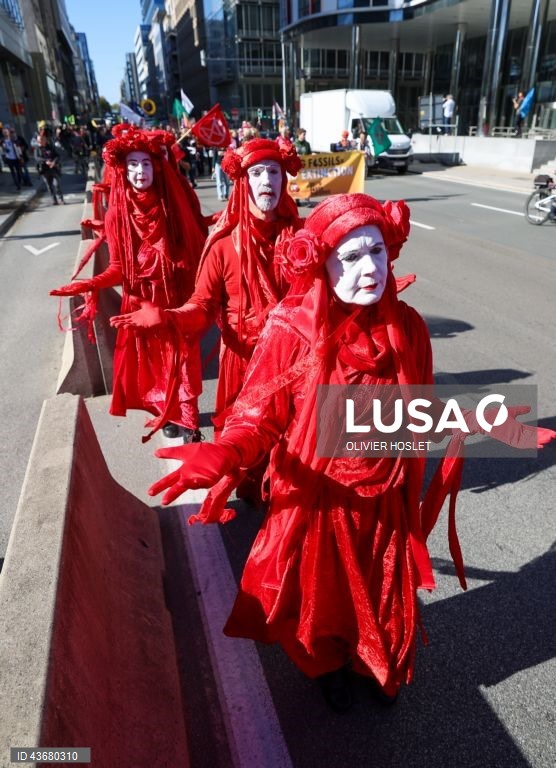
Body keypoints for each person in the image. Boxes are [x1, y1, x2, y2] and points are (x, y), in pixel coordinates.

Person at [144, 192, 555, 713]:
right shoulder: (291, 327)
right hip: (321, 502)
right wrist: (228, 450)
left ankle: (373, 664)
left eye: (377, 251)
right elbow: (259, 413)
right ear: (321, 262)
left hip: (386, 502)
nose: (370, 268)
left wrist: (485, 424)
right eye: (352, 256)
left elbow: (409, 417)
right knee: (323, 600)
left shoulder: (408, 326)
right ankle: (329, 667)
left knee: (383, 594)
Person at [111, 137, 302, 488]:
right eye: (257, 172)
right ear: (242, 182)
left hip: (295, 366)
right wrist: (170, 317)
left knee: (299, 460)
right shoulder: (224, 246)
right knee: (248, 464)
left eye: (274, 172)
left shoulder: (304, 239)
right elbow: (202, 307)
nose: (267, 181)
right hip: (244, 366)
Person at [50, 126, 206, 441]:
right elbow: (119, 269)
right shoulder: (116, 216)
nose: (140, 171)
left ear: (156, 167)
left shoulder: (171, 205)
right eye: (133, 164)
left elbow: (194, 249)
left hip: (176, 299)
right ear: (123, 169)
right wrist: (90, 284)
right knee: (156, 363)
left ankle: (190, 425)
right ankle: (168, 412)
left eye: (146, 163)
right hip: (141, 302)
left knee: (184, 359)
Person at [36, 134, 64, 204]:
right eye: (39, 140)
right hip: (44, 170)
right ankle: (54, 200)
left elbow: (57, 156)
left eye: (41, 139)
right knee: (49, 186)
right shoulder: (37, 149)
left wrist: (54, 162)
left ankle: (61, 199)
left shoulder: (50, 147)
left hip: (53, 168)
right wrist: (45, 161)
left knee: (56, 184)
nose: (40, 141)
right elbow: (37, 158)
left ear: (45, 140)